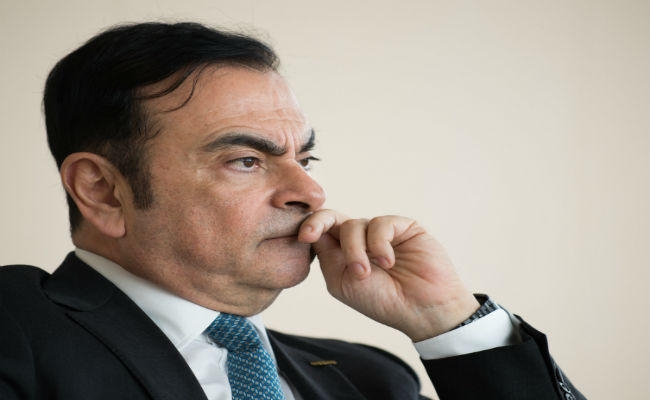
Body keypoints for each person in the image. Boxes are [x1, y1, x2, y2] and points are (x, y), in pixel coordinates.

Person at [0, 22, 584, 400]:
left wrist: (450, 322)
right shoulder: (15, 328)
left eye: (306, 158)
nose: (310, 192)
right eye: (246, 160)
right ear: (103, 191)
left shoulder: (373, 379)